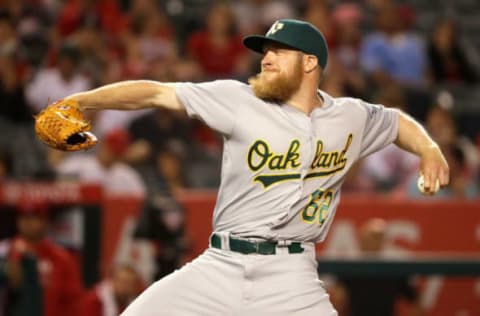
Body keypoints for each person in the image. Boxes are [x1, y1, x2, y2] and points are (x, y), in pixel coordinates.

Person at [57, 18, 449, 315]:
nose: (267, 57)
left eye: (279, 51)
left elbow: (397, 122)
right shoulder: (238, 100)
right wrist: (82, 100)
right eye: (266, 51)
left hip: (292, 274)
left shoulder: (349, 116)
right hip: (221, 264)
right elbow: (157, 92)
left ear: (310, 62)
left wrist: (429, 149)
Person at [329, 218, 424, 316]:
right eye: (370, 237)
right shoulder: (350, 268)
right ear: (361, 239)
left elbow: (415, 302)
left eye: (377, 237)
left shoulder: (393, 270)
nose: (372, 241)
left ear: (383, 241)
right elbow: (338, 300)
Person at [3, 202, 83, 316]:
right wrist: (15, 258)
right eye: (24, 217)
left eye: (33, 217)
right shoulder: (5, 251)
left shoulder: (61, 258)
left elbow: (74, 301)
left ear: (45, 221)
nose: (27, 222)